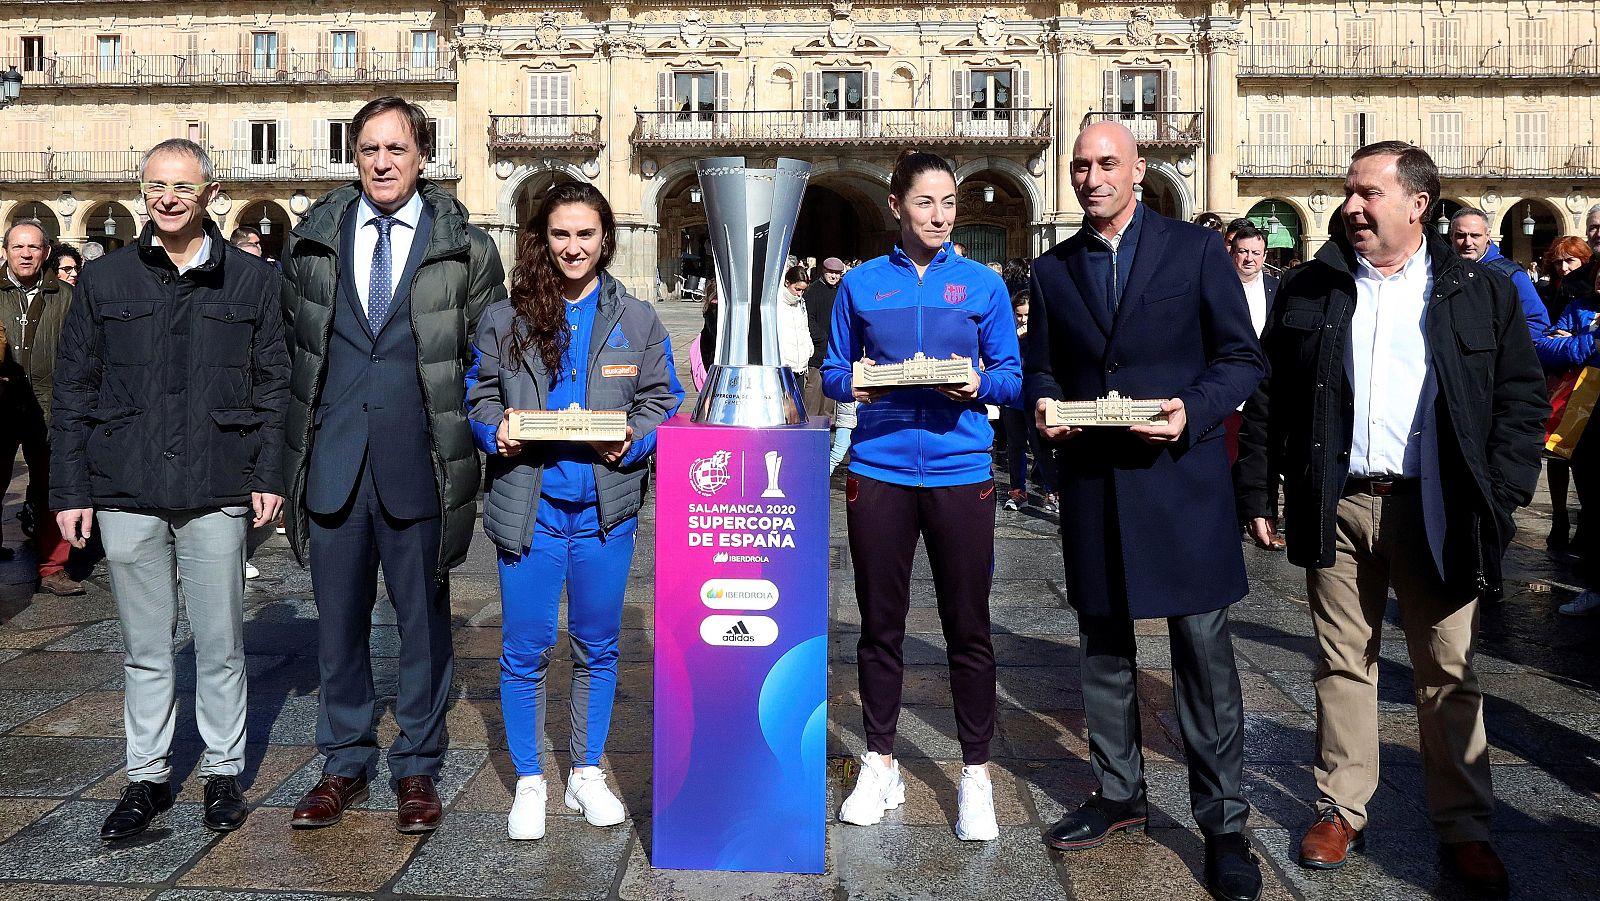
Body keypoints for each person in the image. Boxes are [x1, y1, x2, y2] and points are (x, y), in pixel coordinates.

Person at [1237, 142, 1545, 897]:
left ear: (1418, 204)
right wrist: (1257, 493)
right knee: (1342, 662)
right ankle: (1341, 808)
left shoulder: (1479, 289)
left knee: (1447, 670)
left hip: (1436, 506)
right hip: (1337, 501)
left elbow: (1520, 401)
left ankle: (1465, 827)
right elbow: (1271, 396)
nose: (1351, 206)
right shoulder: (1311, 285)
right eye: (1348, 191)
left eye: (1368, 192)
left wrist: (1499, 499)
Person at [1024, 122, 1265, 901]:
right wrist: (1044, 406)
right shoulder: (1053, 269)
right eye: (1080, 166)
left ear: (1138, 169)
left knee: (1203, 657)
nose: (1091, 178)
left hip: (1180, 481)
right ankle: (1120, 793)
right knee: (1102, 648)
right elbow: (1042, 368)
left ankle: (1224, 823)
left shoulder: (1195, 252)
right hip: (1096, 486)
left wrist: (1189, 412)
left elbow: (1241, 358)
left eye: (1106, 164)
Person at [279, 96, 507, 834]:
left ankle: (417, 765)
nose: (383, 162)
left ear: (422, 157)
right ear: (355, 157)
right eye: (370, 150)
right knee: (336, 624)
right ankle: (342, 761)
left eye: (397, 149)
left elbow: (489, 358)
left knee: (424, 623)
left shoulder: (466, 247)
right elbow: (294, 350)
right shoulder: (315, 239)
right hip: (335, 461)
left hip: (421, 460)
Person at [51, 138, 289, 840]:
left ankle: (222, 771)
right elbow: (74, 392)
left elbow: (277, 385)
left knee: (219, 642)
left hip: (218, 482)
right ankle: (147, 776)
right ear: (142, 192)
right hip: (125, 485)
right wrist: (69, 490)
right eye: (156, 185)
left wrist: (269, 473)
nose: (168, 197)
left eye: (182, 185)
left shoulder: (252, 281)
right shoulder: (104, 280)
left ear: (211, 193)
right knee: (145, 646)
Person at [467, 182, 683, 841]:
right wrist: (495, 430)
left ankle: (585, 770)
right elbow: (476, 398)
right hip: (528, 508)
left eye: (585, 233)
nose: (573, 246)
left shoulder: (638, 319)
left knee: (598, 644)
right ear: (542, 238)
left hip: (604, 512)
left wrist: (633, 437)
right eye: (561, 233)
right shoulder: (504, 318)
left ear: (606, 238)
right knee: (525, 646)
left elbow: (663, 401)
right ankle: (531, 779)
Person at [822, 149, 1021, 843]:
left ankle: (975, 773)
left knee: (969, 628)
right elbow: (832, 371)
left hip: (961, 469)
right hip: (878, 469)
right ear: (895, 207)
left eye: (948, 203)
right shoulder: (861, 285)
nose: (939, 215)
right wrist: (860, 382)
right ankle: (881, 761)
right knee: (881, 625)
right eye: (925, 203)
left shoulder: (985, 285)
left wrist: (978, 384)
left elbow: (1011, 376)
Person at [0, 219, 77, 594]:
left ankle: (53, 566)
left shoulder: (66, 296)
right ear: (5, 252)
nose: (26, 254)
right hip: (0, 409)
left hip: (51, 407)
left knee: (51, 488)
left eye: (33, 247)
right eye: (18, 247)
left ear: (45, 252)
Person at [1536, 261, 1600, 615]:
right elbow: (1545, 347)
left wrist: (1574, 343)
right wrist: (1589, 341)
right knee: (1590, 502)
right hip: (1585, 415)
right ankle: (1593, 586)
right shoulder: (1580, 308)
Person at [1536, 236, 1593, 553]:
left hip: (1584, 389)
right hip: (1560, 383)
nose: (1563, 267)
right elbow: (1545, 342)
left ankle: (1582, 524)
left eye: (1570, 260)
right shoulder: (1552, 292)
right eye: (1558, 261)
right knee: (1556, 454)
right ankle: (1559, 518)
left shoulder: (1584, 299)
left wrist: (1574, 341)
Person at [1224, 225, 1280, 480]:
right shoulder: (1215, 286)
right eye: (1243, 251)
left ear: (1265, 256)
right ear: (1232, 253)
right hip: (1227, 389)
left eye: (1256, 253)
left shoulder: (1278, 289)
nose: (1250, 258)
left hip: (1265, 388)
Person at [1449, 208, 1550, 340]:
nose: (1468, 243)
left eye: (1475, 235)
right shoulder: (1443, 272)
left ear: (1488, 235)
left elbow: (1536, 323)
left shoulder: (1511, 275)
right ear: (1451, 236)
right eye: (1461, 235)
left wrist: (1497, 349)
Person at [999, 287, 1057, 514]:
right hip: (1014, 397)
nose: (1023, 320)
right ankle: (1017, 489)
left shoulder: (1042, 333)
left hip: (1034, 397)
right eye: (1019, 315)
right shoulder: (1010, 333)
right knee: (1015, 446)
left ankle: (1051, 490)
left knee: (1041, 445)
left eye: (1027, 315)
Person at [802, 257, 845, 417]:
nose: (834, 276)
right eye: (831, 273)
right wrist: (821, 338)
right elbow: (808, 318)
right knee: (814, 390)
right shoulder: (813, 291)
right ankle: (809, 427)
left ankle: (827, 425)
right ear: (824, 271)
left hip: (834, 348)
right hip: (818, 348)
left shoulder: (840, 291)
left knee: (829, 392)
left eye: (837, 273)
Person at [779, 265, 812, 377]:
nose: (799, 294)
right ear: (787, 283)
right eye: (797, 289)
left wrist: (808, 349)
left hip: (800, 366)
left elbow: (805, 328)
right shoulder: (776, 304)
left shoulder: (801, 303)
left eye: (803, 290)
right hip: (782, 367)